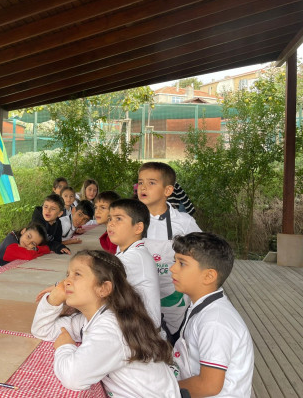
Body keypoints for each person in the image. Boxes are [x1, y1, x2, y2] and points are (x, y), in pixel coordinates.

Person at [32, 250, 180, 397]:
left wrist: (65, 347)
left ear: (103, 289)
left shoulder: (112, 328)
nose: (66, 282)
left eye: (77, 274)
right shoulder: (92, 317)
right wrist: (53, 300)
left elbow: (73, 378)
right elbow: (43, 330)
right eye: (67, 274)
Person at [171, 233, 254, 397]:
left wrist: (163, 390)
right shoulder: (204, 307)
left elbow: (209, 385)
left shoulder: (215, 321)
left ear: (208, 276)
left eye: (182, 263)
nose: (172, 268)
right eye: (175, 261)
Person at [137, 162, 201, 340]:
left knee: (175, 340)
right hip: (141, 295)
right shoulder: (130, 220)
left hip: (175, 296)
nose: (143, 187)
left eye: (151, 183)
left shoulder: (184, 222)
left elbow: (201, 255)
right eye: (140, 182)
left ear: (168, 191)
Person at [107, 198, 161, 328]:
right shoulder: (125, 252)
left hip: (144, 338)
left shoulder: (135, 257)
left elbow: (96, 280)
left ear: (138, 228)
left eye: (118, 219)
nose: (110, 224)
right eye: (109, 219)